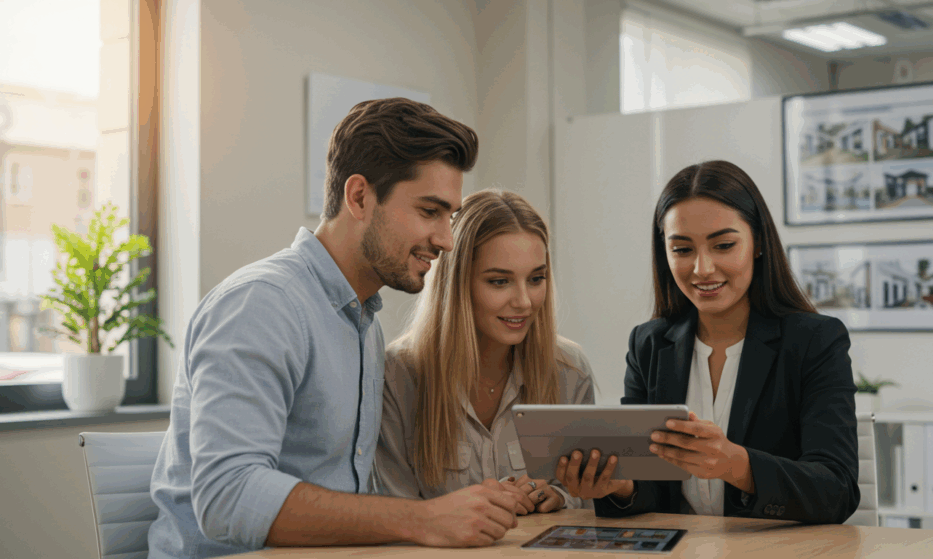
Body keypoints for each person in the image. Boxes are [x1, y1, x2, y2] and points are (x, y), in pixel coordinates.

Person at [148, 98, 523, 559]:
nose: (446, 239)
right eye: (430, 211)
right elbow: (228, 497)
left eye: (451, 217)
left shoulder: (363, 323)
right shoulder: (263, 305)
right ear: (359, 197)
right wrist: (424, 519)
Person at [555, 160, 860, 524]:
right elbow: (650, 488)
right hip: (681, 547)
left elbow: (837, 490)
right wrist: (619, 486)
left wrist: (737, 465)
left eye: (724, 245)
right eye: (682, 250)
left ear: (758, 243)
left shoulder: (815, 341)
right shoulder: (648, 345)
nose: (702, 269)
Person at [376, 189, 595, 514]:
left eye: (536, 278)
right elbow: (396, 513)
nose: (524, 301)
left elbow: (588, 499)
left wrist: (559, 497)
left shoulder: (570, 370)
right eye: (499, 282)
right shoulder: (398, 374)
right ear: (457, 284)